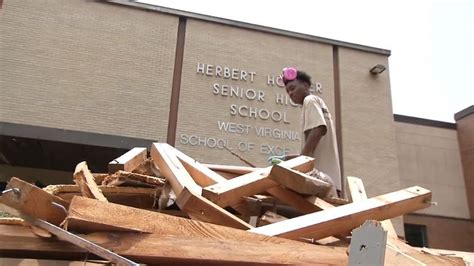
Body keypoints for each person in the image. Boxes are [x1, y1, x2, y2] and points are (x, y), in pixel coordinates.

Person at [269, 67, 342, 197]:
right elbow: (311, 150)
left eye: (292, 88)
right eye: (288, 91)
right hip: (329, 181)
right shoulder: (314, 104)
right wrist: (286, 158)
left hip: (321, 182)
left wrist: (300, 163)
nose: (290, 93)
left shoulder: (310, 100)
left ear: (305, 85)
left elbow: (319, 129)